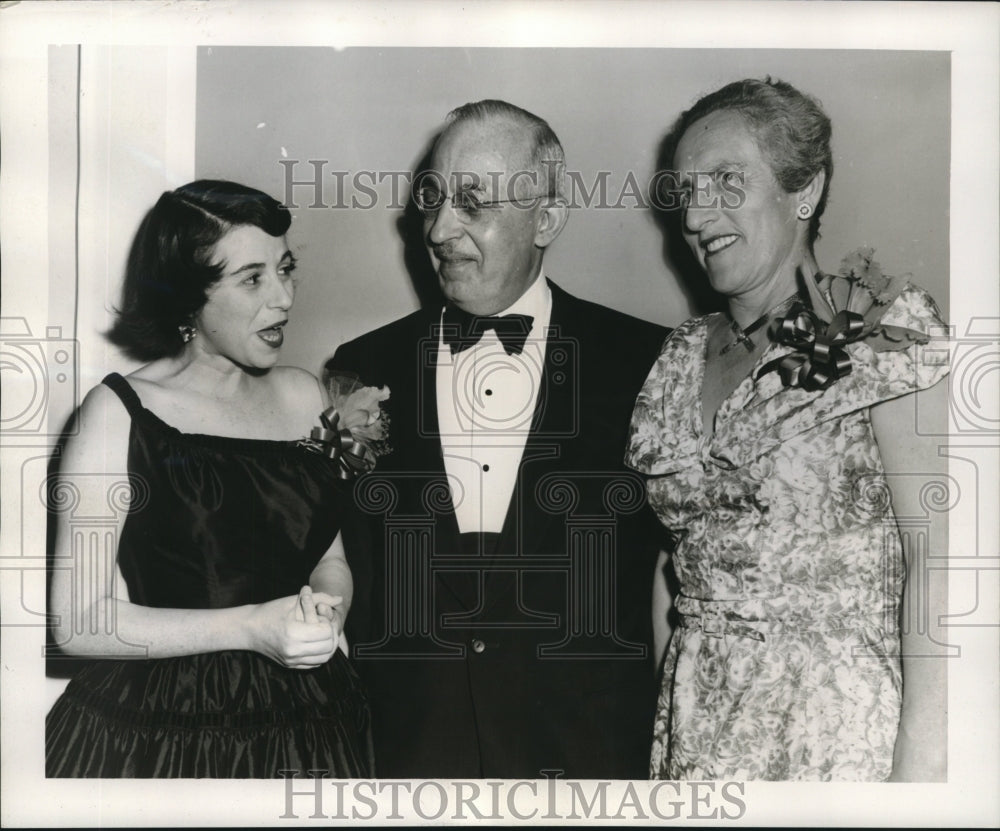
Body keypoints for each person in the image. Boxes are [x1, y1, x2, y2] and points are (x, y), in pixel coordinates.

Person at [328, 100, 670, 778]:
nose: (439, 228)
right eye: (433, 199)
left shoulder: (648, 362)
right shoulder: (362, 366)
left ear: (546, 218)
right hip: (408, 762)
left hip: (588, 768)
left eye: (472, 204)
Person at [627, 78, 950, 781]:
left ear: (804, 191)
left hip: (838, 731)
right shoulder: (679, 356)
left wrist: (923, 776)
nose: (698, 213)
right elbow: (676, 563)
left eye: (727, 181)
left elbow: (945, 561)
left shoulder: (883, 328)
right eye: (687, 192)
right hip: (698, 728)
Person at [45, 180, 378, 778]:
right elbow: (79, 622)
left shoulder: (305, 396)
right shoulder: (117, 414)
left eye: (285, 268)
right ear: (188, 297)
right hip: (160, 724)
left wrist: (329, 611)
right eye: (252, 279)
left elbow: (329, 558)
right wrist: (252, 628)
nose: (283, 298)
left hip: (309, 715)